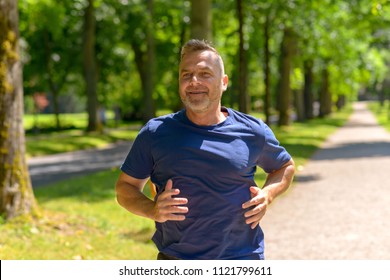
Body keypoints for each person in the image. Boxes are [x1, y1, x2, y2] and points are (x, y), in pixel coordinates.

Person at [115, 39, 295, 260]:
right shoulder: (156, 133)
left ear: (224, 82)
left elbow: (285, 166)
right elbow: (125, 188)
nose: (194, 82)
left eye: (205, 74)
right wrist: (151, 209)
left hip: (241, 259)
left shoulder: (252, 131)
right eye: (186, 75)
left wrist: (267, 195)